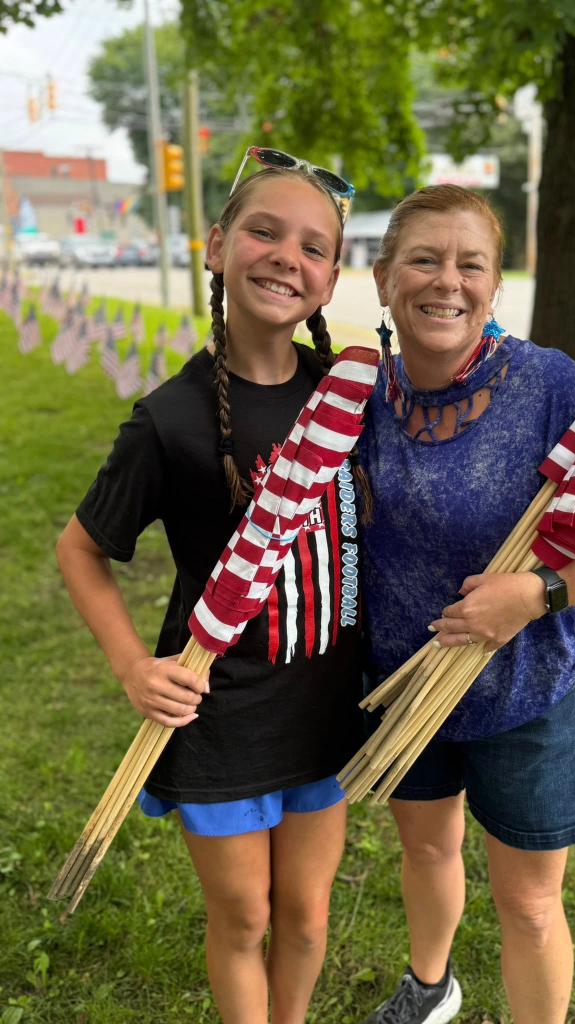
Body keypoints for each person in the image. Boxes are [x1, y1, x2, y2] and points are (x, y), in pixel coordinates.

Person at [56, 153, 363, 1024]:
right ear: (216, 244)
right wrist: (130, 666)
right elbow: (80, 550)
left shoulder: (345, 398)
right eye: (264, 232)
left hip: (327, 703)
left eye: (313, 247)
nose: (285, 257)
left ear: (331, 277)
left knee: (304, 917)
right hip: (219, 715)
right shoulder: (170, 417)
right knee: (245, 916)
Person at [356, 184, 575, 1024]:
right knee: (428, 848)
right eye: (425, 259)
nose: (448, 281)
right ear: (384, 276)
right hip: (404, 683)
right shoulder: (356, 398)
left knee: (531, 905)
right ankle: (431, 988)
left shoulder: (548, 385)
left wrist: (535, 594)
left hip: (529, 690)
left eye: (471, 264)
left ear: (495, 282)